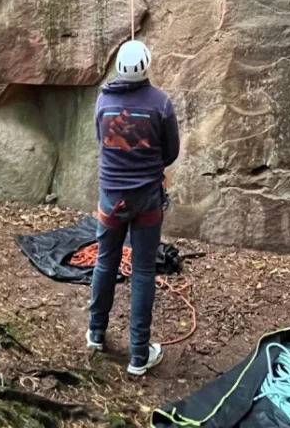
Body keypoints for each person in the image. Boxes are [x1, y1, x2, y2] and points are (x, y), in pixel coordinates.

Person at [86, 40, 180, 375]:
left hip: (112, 197)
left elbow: (102, 139)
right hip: (147, 199)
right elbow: (171, 151)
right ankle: (139, 355)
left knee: (105, 262)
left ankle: (96, 333)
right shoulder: (161, 103)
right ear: (147, 66)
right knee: (142, 271)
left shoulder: (103, 100)